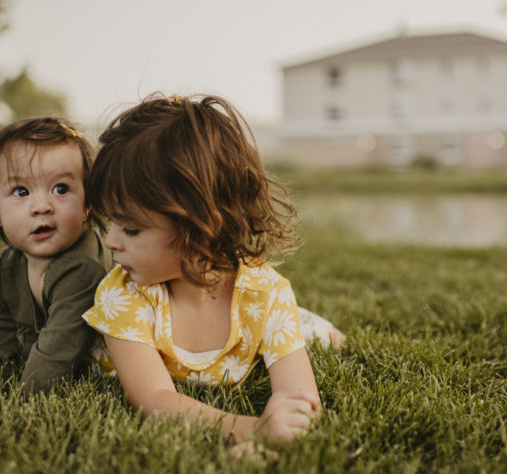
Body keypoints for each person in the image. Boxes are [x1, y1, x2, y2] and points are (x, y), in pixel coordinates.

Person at [82, 93, 344, 443]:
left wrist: (285, 429)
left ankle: (314, 326)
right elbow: (154, 399)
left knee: (309, 329)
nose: (111, 240)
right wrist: (254, 431)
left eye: (130, 228)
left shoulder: (266, 294)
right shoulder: (122, 294)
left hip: (262, 305)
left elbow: (299, 399)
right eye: (110, 223)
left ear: (203, 226)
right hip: (102, 310)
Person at [0, 116, 112, 393]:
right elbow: (2, 325)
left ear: (87, 205)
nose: (41, 207)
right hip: (20, 280)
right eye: (20, 191)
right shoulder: (3, 268)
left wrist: (27, 394)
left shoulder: (82, 269)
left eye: (61, 189)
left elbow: (60, 346)